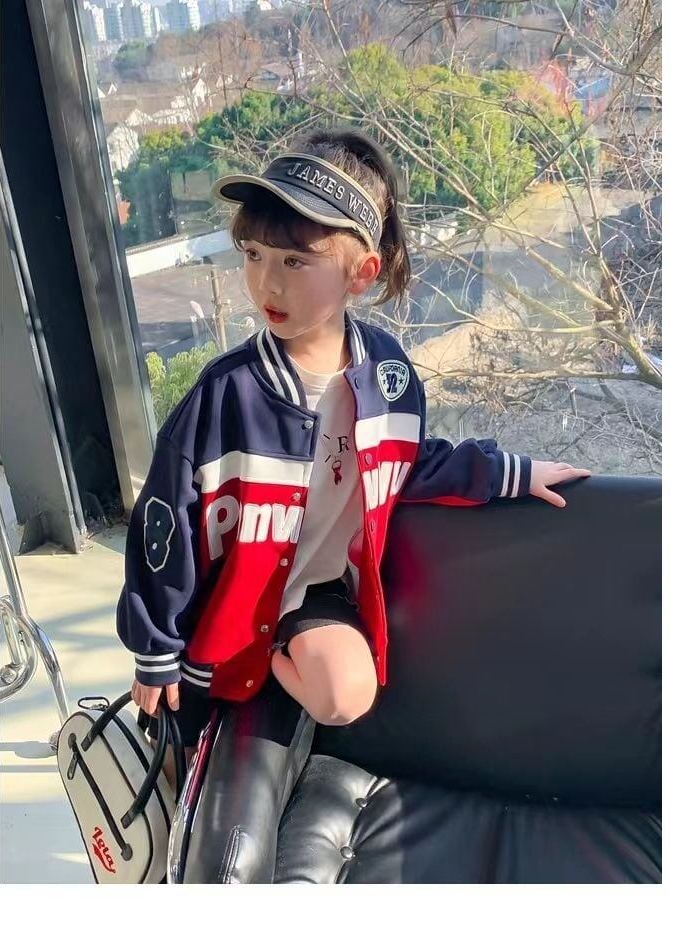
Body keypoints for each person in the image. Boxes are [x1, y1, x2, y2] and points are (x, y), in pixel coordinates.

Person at [117, 127, 591, 785]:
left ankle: (263, 668)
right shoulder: (225, 392)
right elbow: (162, 521)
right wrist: (154, 647)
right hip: (222, 610)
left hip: (313, 593)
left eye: (295, 262)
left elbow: (409, 462)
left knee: (344, 695)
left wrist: (510, 473)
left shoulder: (386, 372)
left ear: (360, 273)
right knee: (172, 782)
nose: (265, 282)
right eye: (253, 254)